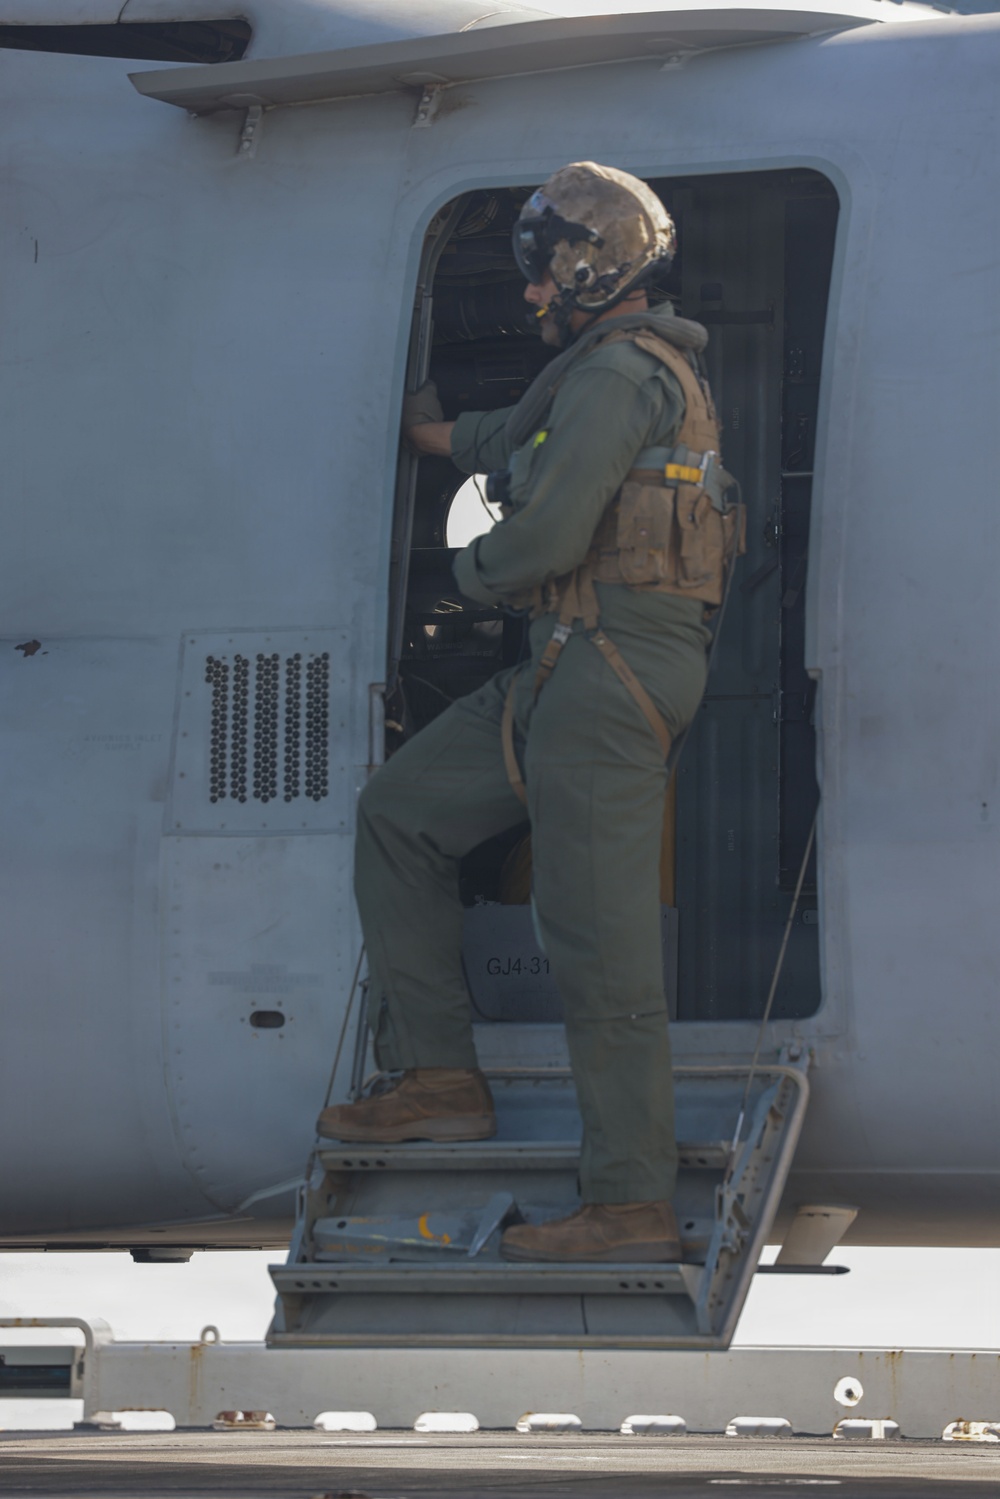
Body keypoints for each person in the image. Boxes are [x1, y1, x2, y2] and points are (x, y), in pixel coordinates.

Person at [317, 162, 741, 1264]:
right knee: (399, 813)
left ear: (584, 267)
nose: (531, 298)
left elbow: (546, 540)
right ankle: (441, 1078)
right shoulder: (599, 372)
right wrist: (430, 431)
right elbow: (515, 433)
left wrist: (466, 570)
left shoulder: (615, 378)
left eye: (542, 277)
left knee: (599, 951)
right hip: (565, 663)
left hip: (605, 670)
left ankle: (628, 1201)